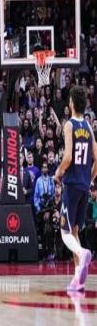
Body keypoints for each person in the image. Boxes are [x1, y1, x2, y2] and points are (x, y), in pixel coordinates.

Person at [54, 86, 97, 292]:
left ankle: (82, 253)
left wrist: (58, 172)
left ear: (71, 103)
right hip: (84, 185)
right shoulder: (88, 126)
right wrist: (90, 178)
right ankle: (78, 278)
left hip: (71, 185)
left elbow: (68, 156)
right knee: (74, 231)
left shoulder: (69, 125)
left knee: (64, 233)